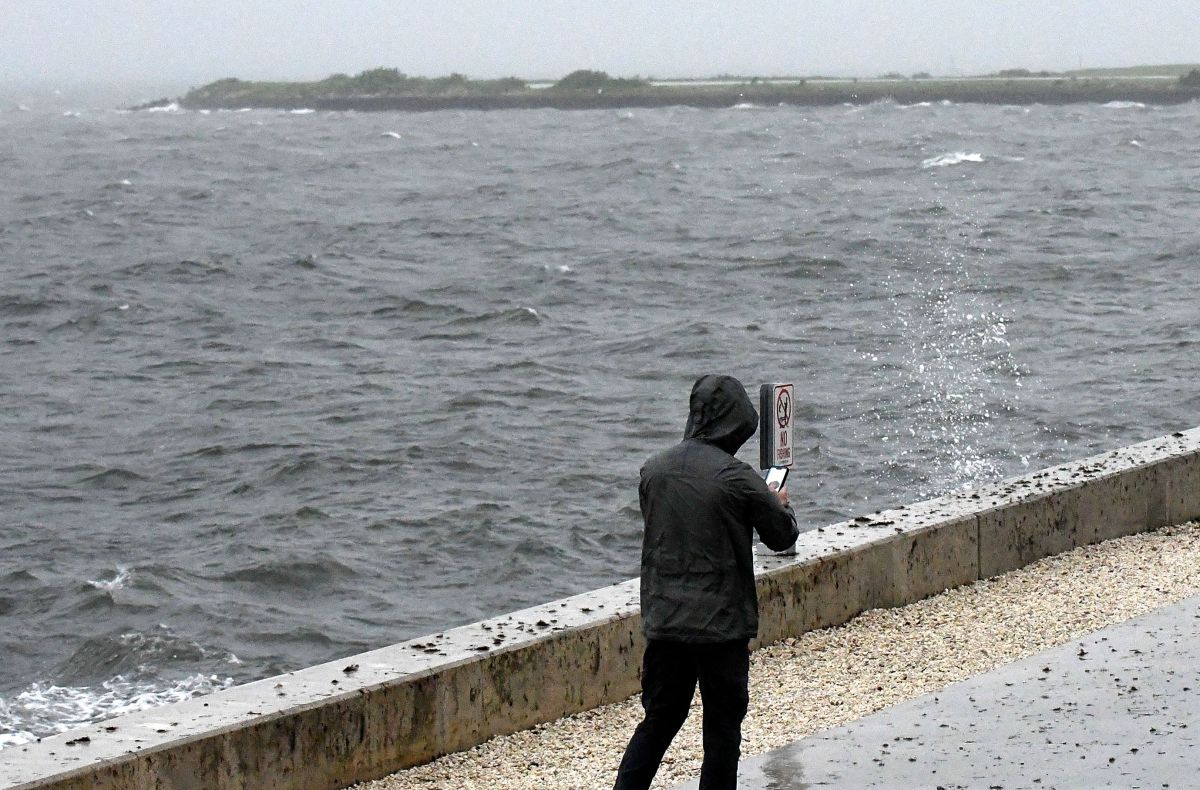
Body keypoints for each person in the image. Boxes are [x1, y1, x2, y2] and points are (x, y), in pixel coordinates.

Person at [613, 374, 799, 790]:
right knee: (721, 731)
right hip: (721, 628)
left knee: (659, 720)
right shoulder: (738, 477)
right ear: (734, 424)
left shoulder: (653, 471)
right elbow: (782, 536)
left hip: (665, 622)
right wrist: (778, 504)